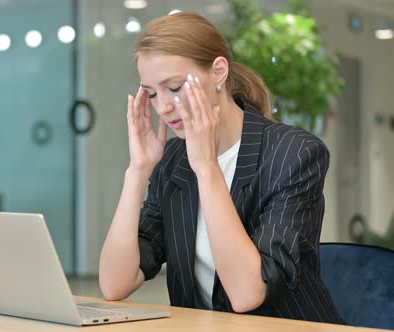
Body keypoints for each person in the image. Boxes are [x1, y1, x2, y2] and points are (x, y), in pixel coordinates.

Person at [99, 12, 344, 324]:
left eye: (174, 87)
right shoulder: (173, 160)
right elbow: (114, 283)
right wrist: (137, 171)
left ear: (218, 71)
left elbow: (247, 294)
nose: (162, 107)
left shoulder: (294, 154)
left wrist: (206, 168)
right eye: (151, 93)